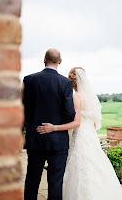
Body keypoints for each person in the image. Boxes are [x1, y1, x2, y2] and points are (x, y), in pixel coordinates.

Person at [36, 67, 122, 200]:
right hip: (90, 137)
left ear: (71, 81)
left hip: (80, 136)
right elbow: (95, 124)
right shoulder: (91, 98)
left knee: (80, 166)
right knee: (96, 165)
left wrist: (54, 128)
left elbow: (77, 123)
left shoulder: (76, 97)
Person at [23, 48, 77, 200]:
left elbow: (23, 110)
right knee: (55, 183)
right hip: (58, 141)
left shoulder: (29, 80)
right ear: (60, 61)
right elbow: (70, 113)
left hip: (36, 139)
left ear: (44, 59)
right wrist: (57, 125)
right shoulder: (65, 83)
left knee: (32, 181)